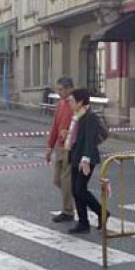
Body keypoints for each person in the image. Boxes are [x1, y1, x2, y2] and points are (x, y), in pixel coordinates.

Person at [66, 88, 109, 234]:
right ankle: (83, 222)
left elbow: (90, 140)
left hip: (86, 157)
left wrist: (85, 160)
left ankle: (102, 213)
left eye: (72, 100)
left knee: (80, 190)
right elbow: (77, 137)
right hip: (75, 156)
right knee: (76, 190)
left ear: (80, 102)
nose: (69, 103)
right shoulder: (78, 115)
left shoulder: (90, 117)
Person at [45, 77, 76, 223]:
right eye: (57, 89)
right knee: (57, 180)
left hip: (70, 146)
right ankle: (72, 201)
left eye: (61, 89)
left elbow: (79, 125)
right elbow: (55, 126)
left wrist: (69, 135)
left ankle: (68, 211)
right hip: (59, 146)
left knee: (66, 180)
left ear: (69, 88)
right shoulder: (60, 105)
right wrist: (49, 147)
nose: (59, 92)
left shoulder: (75, 104)